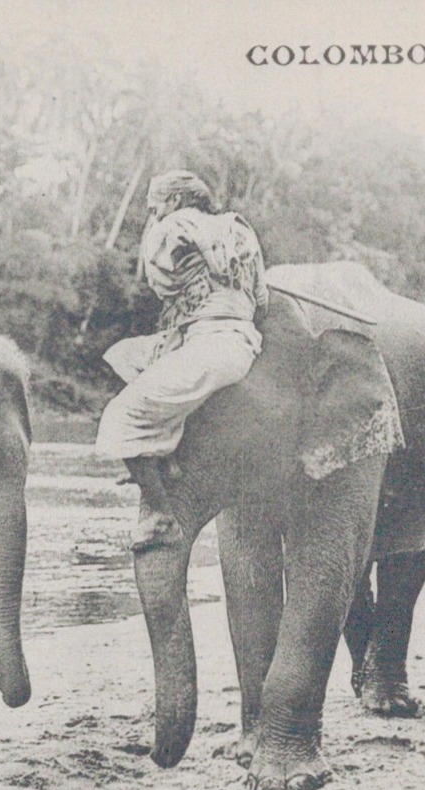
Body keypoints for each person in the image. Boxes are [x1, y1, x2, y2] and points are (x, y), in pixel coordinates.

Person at [96, 170, 269, 550]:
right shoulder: (241, 230)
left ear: (174, 201)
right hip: (237, 340)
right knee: (126, 355)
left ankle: (159, 513)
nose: (151, 210)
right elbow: (263, 299)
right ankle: (164, 452)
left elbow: (159, 279)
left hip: (210, 344)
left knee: (119, 417)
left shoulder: (174, 223)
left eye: (154, 202)